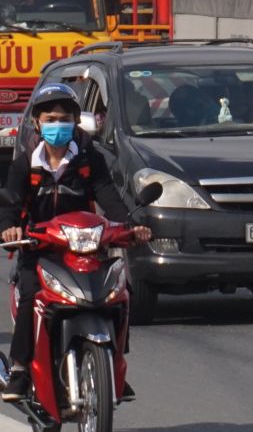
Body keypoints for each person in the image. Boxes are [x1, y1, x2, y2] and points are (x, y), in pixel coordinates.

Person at [0, 84, 151, 401]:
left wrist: (131, 226)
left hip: (85, 250)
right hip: (38, 250)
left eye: (65, 118)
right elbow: (10, 204)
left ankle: (114, 365)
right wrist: (10, 229)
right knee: (30, 296)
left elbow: (109, 197)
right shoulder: (24, 164)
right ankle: (19, 370)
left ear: (75, 121)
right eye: (52, 118)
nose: (59, 125)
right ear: (38, 123)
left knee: (121, 294)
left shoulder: (88, 160)